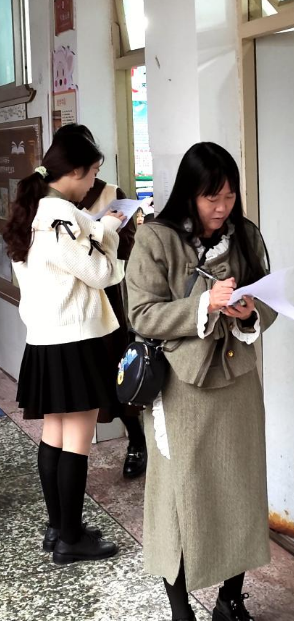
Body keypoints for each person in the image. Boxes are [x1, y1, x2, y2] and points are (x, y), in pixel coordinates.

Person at [125, 143, 277, 621]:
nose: (222, 207)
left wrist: (249, 312)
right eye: (212, 197)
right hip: (179, 388)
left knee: (240, 489)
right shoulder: (155, 238)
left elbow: (268, 299)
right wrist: (203, 305)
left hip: (237, 384)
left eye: (230, 196)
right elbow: (141, 315)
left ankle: (230, 600)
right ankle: (180, 610)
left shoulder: (245, 235)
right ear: (189, 194)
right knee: (179, 496)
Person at [1, 131, 123, 563]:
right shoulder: (61, 218)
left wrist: (96, 226)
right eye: (92, 173)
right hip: (75, 341)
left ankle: (58, 528)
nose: (92, 184)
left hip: (45, 340)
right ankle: (71, 539)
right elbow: (101, 274)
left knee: (54, 435)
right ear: (74, 171)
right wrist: (110, 230)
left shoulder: (33, 210)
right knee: (77, 440)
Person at [53, 123, 147, 479]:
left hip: (106, 295)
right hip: (67, 300)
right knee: (77, 378)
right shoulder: (51, 201)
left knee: (115, 370)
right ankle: (71, 451)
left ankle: (136, 440)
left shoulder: (110, 193)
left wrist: (108, 230)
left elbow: (129, 245)